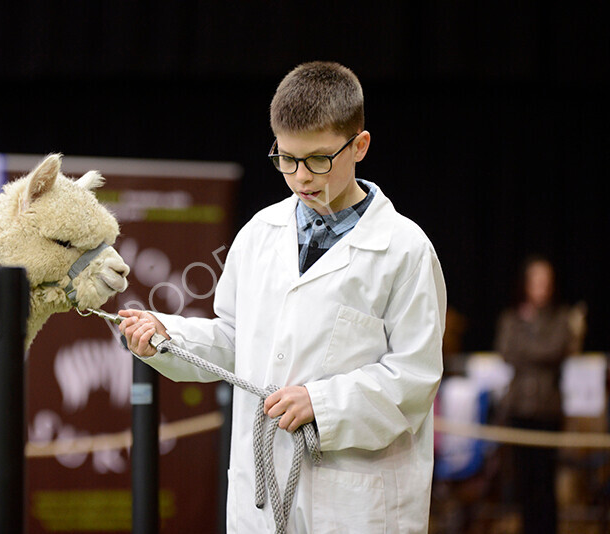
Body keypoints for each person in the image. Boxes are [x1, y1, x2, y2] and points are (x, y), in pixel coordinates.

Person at [119, 61, 447, 533]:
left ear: (360, 146)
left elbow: (413, 378)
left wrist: (323, 403)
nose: (300, 178)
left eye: (317, 159)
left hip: (356, 504)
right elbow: (236, 340)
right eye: (286, 160)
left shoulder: (405, 250)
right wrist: (170, 336)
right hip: (262, 496)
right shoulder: (259, 233)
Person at [494, 255, 584, 534]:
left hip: (548, 409)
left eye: (546, 281)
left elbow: (557, 349)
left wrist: (529, 349)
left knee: (546, 481)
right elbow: (506, 351)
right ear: (526, 284)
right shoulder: (511, 317)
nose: (541, 287)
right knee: (524, 481)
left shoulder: (560, 317)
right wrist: (537, 348)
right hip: (518, 408)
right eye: (536, 280)